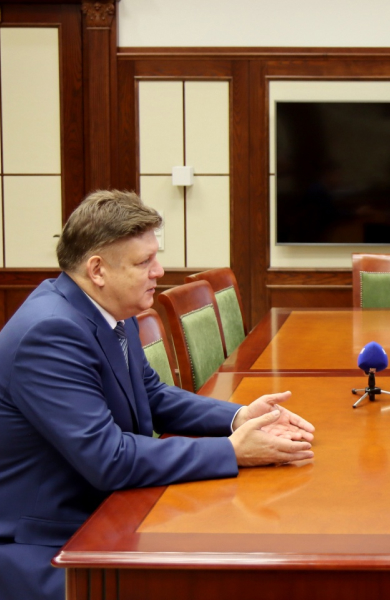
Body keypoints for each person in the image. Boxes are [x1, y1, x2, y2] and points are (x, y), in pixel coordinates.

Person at [0, 191, 316, 600]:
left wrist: (238, 417)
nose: (159, 271)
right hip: (54, 545)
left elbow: (152, 393)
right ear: (97, 270)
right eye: (144, 262)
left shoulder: (108, 311)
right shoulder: (50, 333)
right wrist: (232, 451)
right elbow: (108, 458)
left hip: (109, 515)